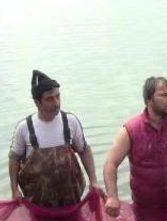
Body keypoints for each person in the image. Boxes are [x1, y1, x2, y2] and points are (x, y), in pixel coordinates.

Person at [103, 77, 167, 217]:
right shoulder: (131, 130)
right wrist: (112, 197)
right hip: (144, 210)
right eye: (164, 95)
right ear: (149, 100)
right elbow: (110, 164)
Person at [8, 70, 100, 207]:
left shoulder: (70, 122)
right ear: (37, 102)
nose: (56, 103)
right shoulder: (24, 128)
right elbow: (14, 159)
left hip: (72, 202)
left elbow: (84, 150)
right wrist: (14, 190)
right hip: (37, 205)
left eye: (58, 96)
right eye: (49, 99)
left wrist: (94, 181)